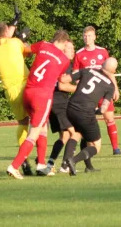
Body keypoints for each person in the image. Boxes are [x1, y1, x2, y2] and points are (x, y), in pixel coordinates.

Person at [6, 30, 72, 180]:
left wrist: (20, 39)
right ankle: (14, 166)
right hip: (43, 96)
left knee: (42, 128)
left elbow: (26, 50)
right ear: (64, 42)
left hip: (28, 92)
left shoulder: (43, 45)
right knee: (34, 133)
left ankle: (41, 164)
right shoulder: (64, 59)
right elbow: (61, 79)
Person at [0, 10, 35, 175]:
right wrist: (23, 39)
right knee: (39, 123)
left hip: (10, 91)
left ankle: (24, 160)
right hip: (26, 85)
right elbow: (28, 51)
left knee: (23, 123)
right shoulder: (15, 43)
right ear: (6, 33)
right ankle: (43, 160)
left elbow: (7, 40)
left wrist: (15, 26)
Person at [63, 58, 118, 176]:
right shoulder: (110, 86)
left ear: (102, 65)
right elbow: (104, 108)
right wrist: (96, 111)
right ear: (114, 71)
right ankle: (72, 161)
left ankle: (81, 166)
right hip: (85, 112)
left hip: (70, 107)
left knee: (77, 133)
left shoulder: (87, 70)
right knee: (96, 146)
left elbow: (65, 79)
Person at [73, 26, 121, 155]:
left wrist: (115, 88)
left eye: (89, 36)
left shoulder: (103, 52)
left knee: (109, 118)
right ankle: (86, 149)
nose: (87, 38)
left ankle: (116, 148)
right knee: (86, 121)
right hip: (88, 94)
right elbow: (76, 75)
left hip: (103, 92)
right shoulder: (79, 54)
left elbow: (110, 71)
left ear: (94, 37)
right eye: (85, 36)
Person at [37, 41, 78, 176]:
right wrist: (80, 89)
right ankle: (66, 165)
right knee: (76, 133)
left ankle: (49, 163)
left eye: (73, 48)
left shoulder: (57, 62)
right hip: (59, 103)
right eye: (70, 48)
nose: (73, 51)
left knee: (65, 135)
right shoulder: (64, 63)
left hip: (53, 102)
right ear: (63, 50)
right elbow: (62, 86)